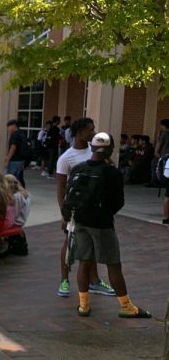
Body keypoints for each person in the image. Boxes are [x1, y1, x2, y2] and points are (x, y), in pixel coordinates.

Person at [69, 133, 150, 319]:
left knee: (84, 261)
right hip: (101, 224)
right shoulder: (112, 172)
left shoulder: (78, 168)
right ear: (110, 149)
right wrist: (105, 214)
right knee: (113, 264)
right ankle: (126, 306)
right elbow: (118, 202)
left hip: (79, 220)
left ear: (92, 147)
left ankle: (83, 305)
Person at [55, 117, 114, 298]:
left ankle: (94, 282)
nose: (93, 133)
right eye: (90, 129)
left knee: (92, 246)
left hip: (94, 211)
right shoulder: (66, 158)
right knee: (69, 244)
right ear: (79, 133)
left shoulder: (96, 152)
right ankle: (64, 281)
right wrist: (64, 215)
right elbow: (61, 188)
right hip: (75, 210)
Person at [3, 119, 28, 187]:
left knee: (10, 179)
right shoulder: (22, 133)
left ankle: (12, 193)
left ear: (14, 125)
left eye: (9, 126)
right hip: (21, 160)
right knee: (18, 178)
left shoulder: (14, 135)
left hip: (14, 160)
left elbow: (13, 148)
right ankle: (21, 192)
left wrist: (7, 160)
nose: (8, 129)